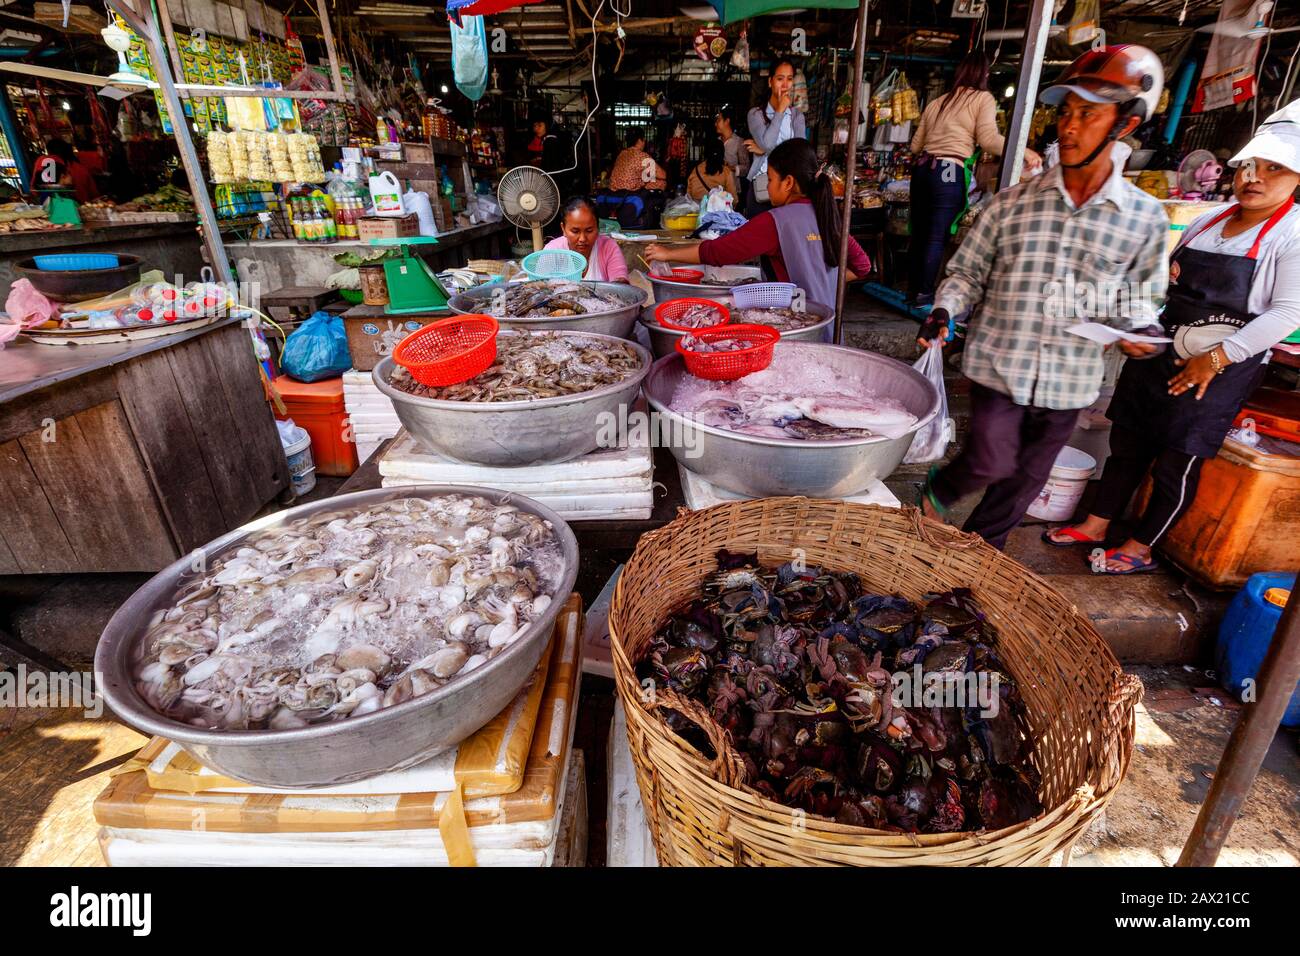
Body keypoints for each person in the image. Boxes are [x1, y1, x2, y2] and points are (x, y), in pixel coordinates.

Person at [915, 45, 1170, 550]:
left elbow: (1143, 296)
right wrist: (945, 308)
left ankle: (976, 563)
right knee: (990, 459)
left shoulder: (1145, 218)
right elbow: (966, 272)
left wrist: (1140, 329)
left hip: (1070, 380)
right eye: (1065, 113)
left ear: (1124, 125)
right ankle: (935, 496)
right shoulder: (1011, 206)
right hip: (998, 365)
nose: (1069, 127)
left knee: (1022, 486)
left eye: (1088, 114)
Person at [1044, 100, 1300, 573]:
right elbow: (1163, 283)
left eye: (1274, 169)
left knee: (1177, 460)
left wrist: (1218, 357)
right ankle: (1097, 522)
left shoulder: (1291, 234)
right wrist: (1128, 322)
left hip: (1219, 367)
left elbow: (1288, 312)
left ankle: (1142, 547)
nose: (1254, 177)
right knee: (1128, 442)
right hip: (1160, 351)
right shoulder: (1209, 219)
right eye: (1250, 165)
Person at [645, 138, 870, 312]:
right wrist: (825, 281)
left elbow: (718, 252)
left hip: (795, 328)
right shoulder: (828, 217)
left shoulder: (776, 222)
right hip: (827, 327)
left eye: (771, 179)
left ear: (788, 182)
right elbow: (862, 266)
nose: (768, 187)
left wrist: (667, 254)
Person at [908, 53, 1043, 306]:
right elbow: (989, 140)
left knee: (920, 232)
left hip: (923, 169)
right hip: (948, 169)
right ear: (983, 74)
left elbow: (916, 146)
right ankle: (923, 294)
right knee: (936, 236)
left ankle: (912, 290)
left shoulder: (937, 102)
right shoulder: (982, 98)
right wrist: (1024, 150)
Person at [745, 58, 805, 217]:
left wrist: (764, 151)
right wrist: (780, 110)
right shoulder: (755, 114)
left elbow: (800, 153)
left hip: (787, 189)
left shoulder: (797, 117)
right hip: (761, 188)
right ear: (770, 82)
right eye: (780, 79)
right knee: (758, 238)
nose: (785, 85)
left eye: (789, 79)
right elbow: (767, 143)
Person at [542, 196, 629, 282]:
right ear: (563, 229)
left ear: (598, 228)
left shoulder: (608, 247)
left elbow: (621, 285)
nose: (582, 239)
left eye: (589, 230)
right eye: (575, 231)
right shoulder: (552, 251)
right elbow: (540, 286)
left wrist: (620, 281)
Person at [36, 138, 99, 203]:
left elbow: (39, 193)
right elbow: (94, 194)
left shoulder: (48, 170)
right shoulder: (80, 168)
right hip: (85, 207)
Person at [716, 104, 750, 197]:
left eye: (718, 120)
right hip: (715, 189)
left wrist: (732, 168)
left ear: (727, 121)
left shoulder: (739, 142)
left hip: (733, 191)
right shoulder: (715, 142)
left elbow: (746, 168)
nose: (716, 124)